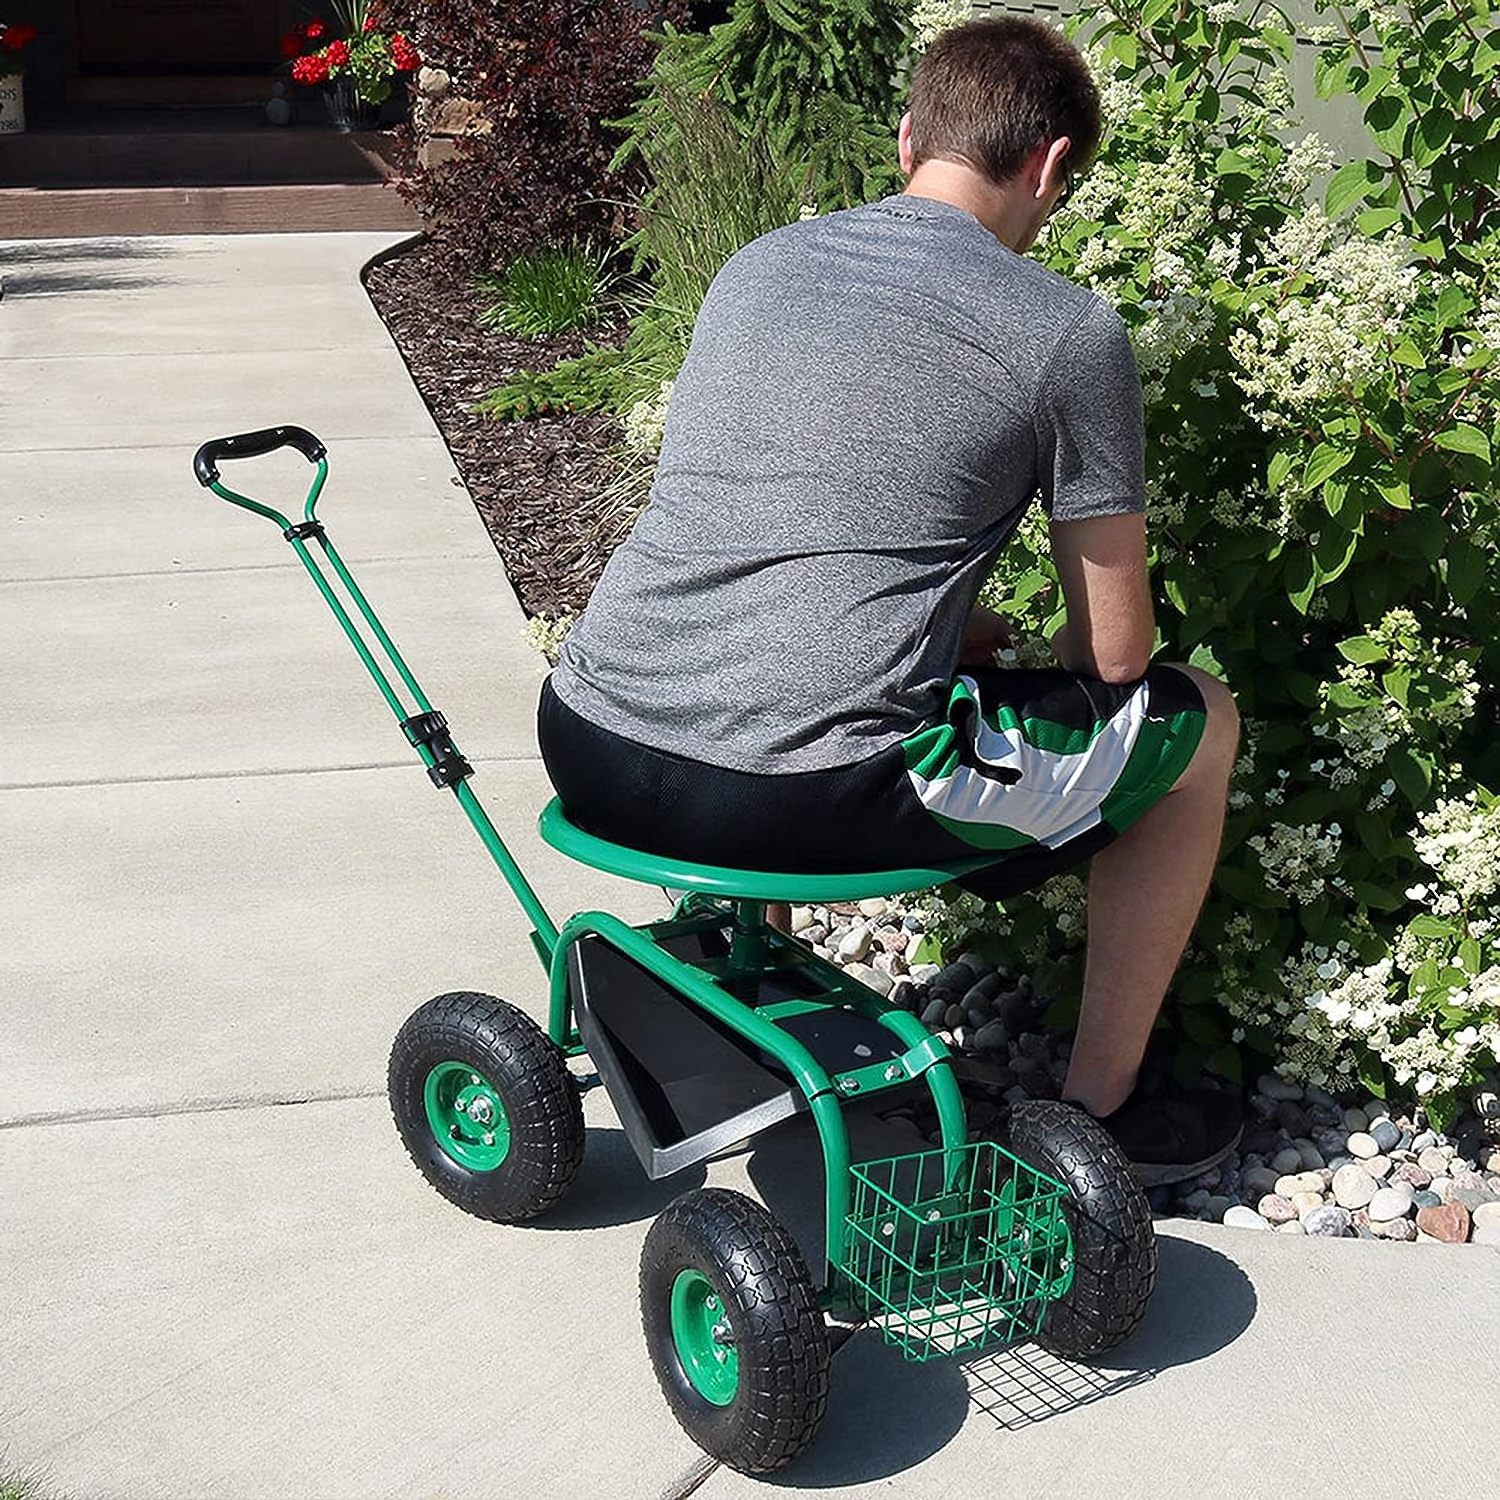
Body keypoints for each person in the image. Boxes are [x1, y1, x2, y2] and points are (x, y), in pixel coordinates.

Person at [538, 15, 1243, 1184]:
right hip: (795, 799)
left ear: (911, 136)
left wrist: (943, 630)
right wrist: (1028, 650)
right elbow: (1117, 655)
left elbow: (773, 538)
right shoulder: (1067, 329)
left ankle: (741, 981)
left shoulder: (761, 263)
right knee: (1200, 718)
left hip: (592, 737)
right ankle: (1101, 1112)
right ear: (1052, 167)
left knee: (819, 681)